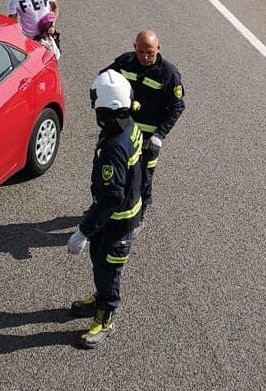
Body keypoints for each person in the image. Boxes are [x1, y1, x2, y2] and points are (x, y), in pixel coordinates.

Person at [66, 69, 143, 349]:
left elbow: (111, 197)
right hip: (118, 215)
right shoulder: (128, 125)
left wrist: (84, 231)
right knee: (99, 262)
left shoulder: (114, 146)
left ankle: (106, 316)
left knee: (109, 268)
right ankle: (99, 298)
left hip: (116, 221)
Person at [102, 30, 185, 231]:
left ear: (158, 48)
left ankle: (139, 215)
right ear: (134, 48)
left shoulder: (168, 74)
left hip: (148, 139)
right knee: (112, 173)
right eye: (141, 52)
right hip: (122, 132)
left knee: (143, 178)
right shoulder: (125, 63)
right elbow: (104, 79)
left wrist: (160, 134)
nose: (146, 57)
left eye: (150, 52)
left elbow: (177, 106)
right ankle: (103, 209)